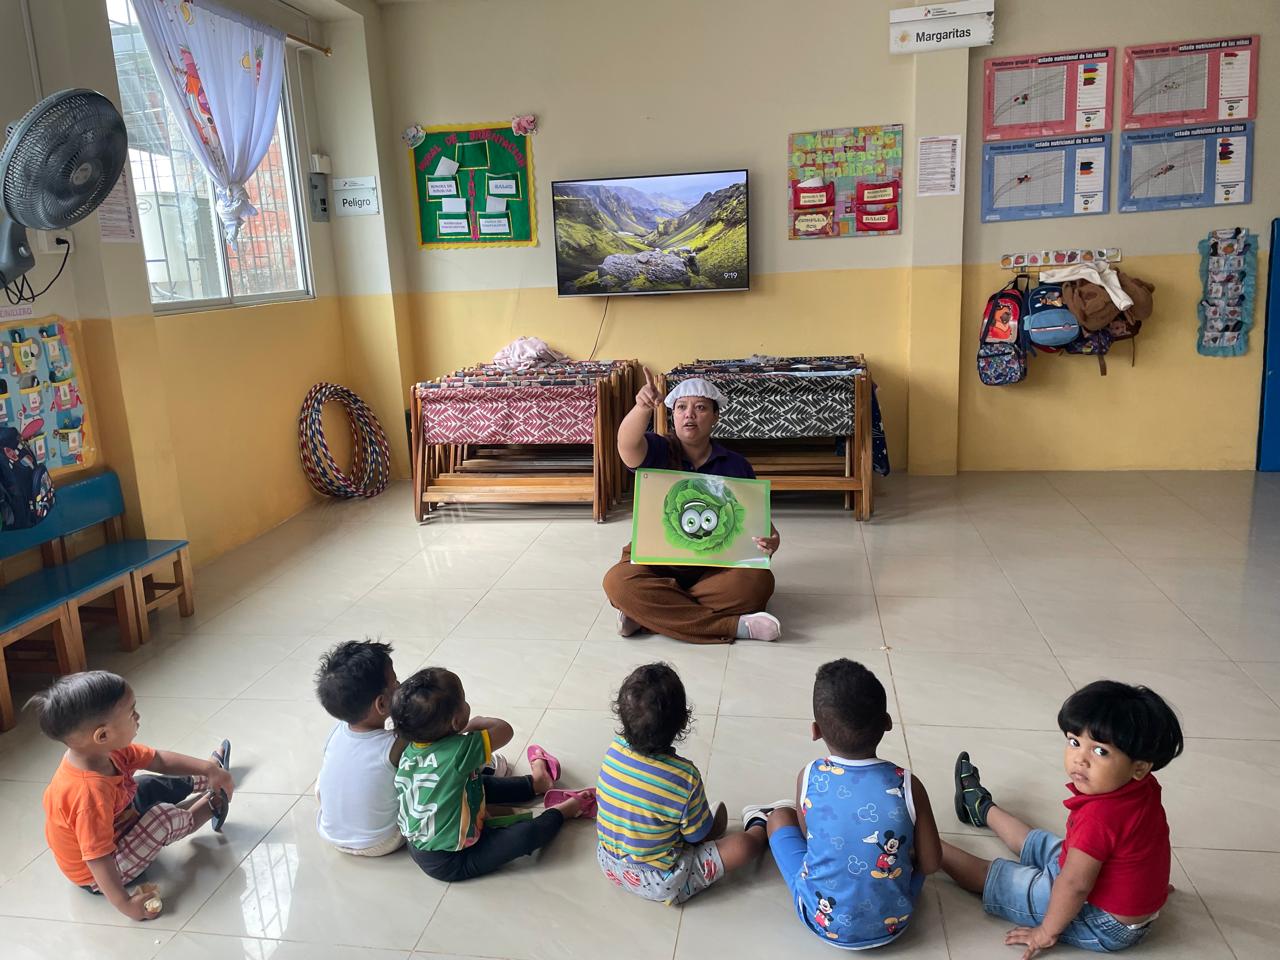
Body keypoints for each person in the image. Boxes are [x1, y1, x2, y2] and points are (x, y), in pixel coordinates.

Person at [941, 680, 1184, 958]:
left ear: (1139, 767)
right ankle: (981, 808)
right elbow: (1145, 845)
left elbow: (1075, 885)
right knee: (1040, 842)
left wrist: (1046, 931)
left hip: (1102, 921)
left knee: (999, 877)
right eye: (1074, 742)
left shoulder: (1099, 818)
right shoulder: (1143, 785)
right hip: (1118, 897)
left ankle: (927, 845)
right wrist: (1146, 889)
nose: (1080, 759)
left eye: (1100, 751)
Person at [761, 659, 941, 948]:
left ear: (815, 731)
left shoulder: (810, 775)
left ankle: (761, 821)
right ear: (887, 722)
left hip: (822, 922)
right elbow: (931, 863)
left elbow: (809, 838)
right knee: (909, 839)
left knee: (779, 817)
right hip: (894, 923)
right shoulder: (908, 784)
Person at [27, 671, 234, 921]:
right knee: (162, 819)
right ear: (102, 735)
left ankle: (211, 777)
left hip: (117, 823)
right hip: (102, 872)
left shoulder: (104, 752)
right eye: (131, 712)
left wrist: (207, 769)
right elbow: (98, 858)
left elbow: (159, 760)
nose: (138, 717)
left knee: (144, 783)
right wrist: (125, 904)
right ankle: (212, 804)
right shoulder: (88, 795)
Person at [603, 369, 782, 644]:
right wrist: (642, 407)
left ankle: (648, 615)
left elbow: (760, 522)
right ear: (673, 415)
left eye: (700, 408)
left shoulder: (736, 464)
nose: (689, 414)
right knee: (617, 582)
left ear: (715, 416)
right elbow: (626, 444)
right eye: (681, 408)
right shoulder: (657, 449)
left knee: (758, 584)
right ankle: (732, 626)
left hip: (716, 566)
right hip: (657, 561)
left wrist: (772, 540)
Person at [392, 667, 595, 881]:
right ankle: (564, 811)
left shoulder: (410, 750)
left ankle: (539, 783)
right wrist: (475, 723)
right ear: (456, 721)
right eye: (463, 701)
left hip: (418, 847)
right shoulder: (460, 751)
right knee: (525, 836)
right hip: (452, 860)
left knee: (476, 781)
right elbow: (505, 730)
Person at [596, 662, 775, 904]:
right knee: (743, 846)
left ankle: (693, 821)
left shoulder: (613, 750)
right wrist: (707, 830)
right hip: (661, 881)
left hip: (609, 864)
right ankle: (761, 823)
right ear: (683, 722)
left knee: (666, 817)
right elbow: (696, 838)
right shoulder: (683, 777)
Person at [314, 639, 408, 857]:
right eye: (395, 682)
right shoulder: (395, 745)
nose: (400, 685)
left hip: (331, 835)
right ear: (382, 704)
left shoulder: (337, 731)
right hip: (382, 841)